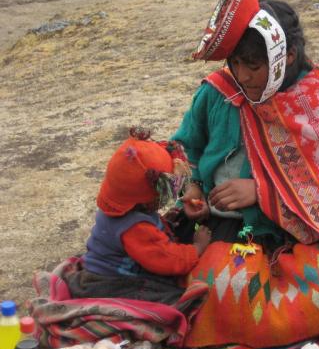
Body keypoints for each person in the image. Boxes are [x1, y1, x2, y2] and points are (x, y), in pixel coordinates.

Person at [170, 0, 319, 348]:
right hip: (229, 228)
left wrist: (261, 190)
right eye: (235, 63)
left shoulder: (317, 103)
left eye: (255, 65)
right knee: (218, 285)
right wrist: (195, 188)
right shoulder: (217, 94)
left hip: (299, 228)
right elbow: (185, 149)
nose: (244, 75)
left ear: (288, 56)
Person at [65, 127, 212, 306]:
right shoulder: (136, 227)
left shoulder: (122, 205)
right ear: (148, 198)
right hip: (111, 284)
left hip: (97, 272)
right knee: (176, 301)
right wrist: (197, 247)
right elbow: (166, 259)